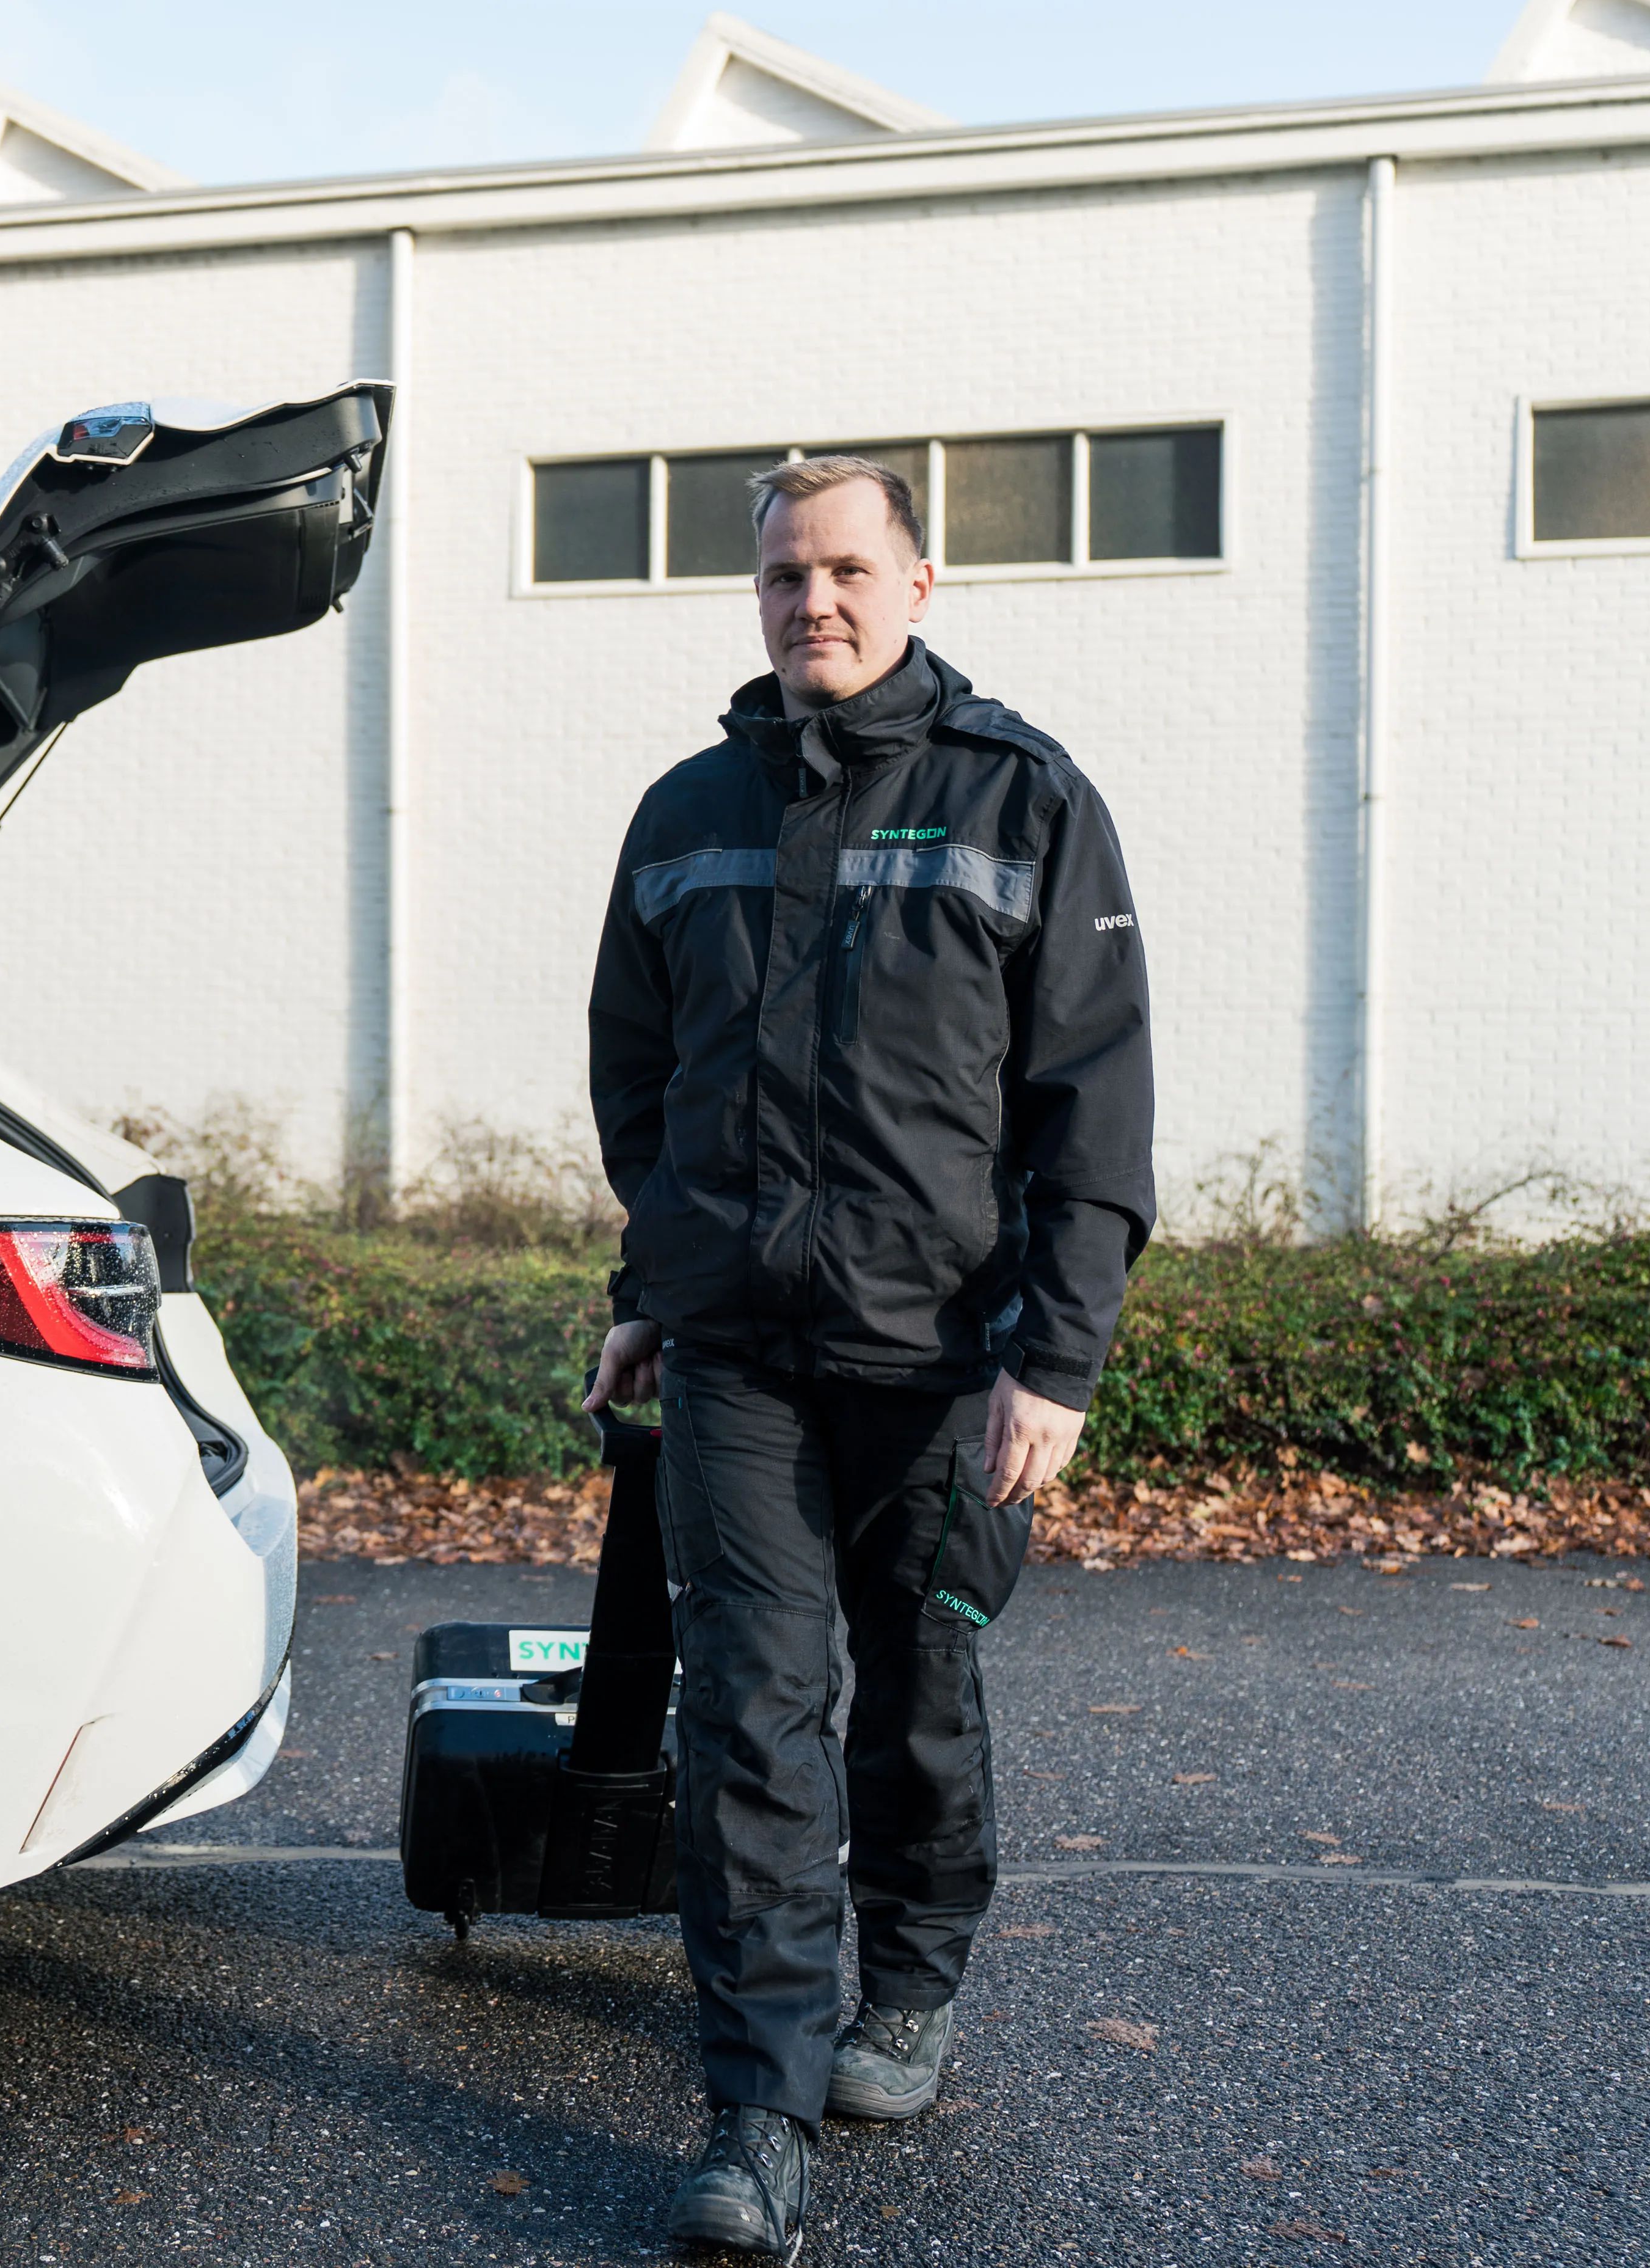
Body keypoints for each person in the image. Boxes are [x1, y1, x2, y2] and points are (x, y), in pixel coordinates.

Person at [583, 455, 1155, 2255]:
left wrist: (1053, 1358)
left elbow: (1096, 1104)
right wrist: (646, 1276)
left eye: (842, 569)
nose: (809, 601)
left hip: (947, 1358)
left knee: (914, 1695)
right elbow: (639, 1077)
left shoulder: (1026, 802)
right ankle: (757, 2111)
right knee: (748, 1711)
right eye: (780, 576)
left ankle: (906, 1983)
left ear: (920, 583)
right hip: (738, 1355)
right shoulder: (686, 813)